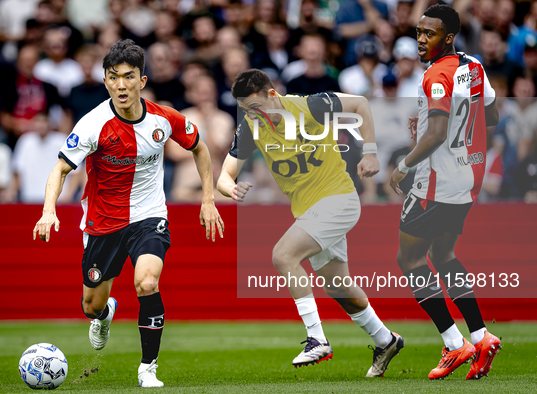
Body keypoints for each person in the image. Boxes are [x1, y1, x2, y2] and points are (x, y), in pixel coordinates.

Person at [32, 39, 224, 388]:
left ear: (142, 81)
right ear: (106, 81)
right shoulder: (93, 125)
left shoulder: (164, 118)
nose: (121, 85)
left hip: (149, 215)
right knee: (90, 305)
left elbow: (200, 148)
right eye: (113, 77)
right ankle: (104, 314)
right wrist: (49, 211)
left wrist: (208, 199)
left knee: (147, 282)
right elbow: (60, 169)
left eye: (128, 77)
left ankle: (147, 368)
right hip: (102, 223)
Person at [217, 68, 404, 377]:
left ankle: (317, 339)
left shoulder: (311, 105)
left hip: (339, 198)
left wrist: (370, 153)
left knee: (283, 255)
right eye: (247, 111)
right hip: (309, 211)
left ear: (273, 96)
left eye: (257, 108)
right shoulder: (250, 127)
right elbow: (225, 174)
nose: (255, 116)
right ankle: (386, 340)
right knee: (340, 287)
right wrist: (229, 188)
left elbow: (360, 104)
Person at [389, 4, 501, 381]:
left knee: (410, 261)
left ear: (448, 37)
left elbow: (436, 135)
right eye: (419, 32)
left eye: (429, 34)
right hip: (469, 178)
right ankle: (482, 336)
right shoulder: (474, 66)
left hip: (434, 183)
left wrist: (404, 164)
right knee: (443, 253)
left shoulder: (436, 75)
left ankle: (455, 345)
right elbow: (492, 117)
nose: (421, 39)